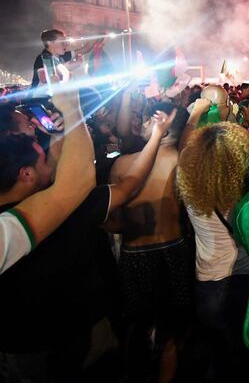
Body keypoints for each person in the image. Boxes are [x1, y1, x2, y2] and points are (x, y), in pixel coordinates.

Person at [0, 103, 176, 380]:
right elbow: (129, 185)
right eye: (42, 158)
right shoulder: (68, 209)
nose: (48, 157)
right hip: (82, 340)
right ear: (26, 174)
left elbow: (60, 171)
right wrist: (157, 135)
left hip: (19, 349)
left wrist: (64, 133)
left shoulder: (6, 224)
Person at [108, 102, 193, 381]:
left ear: (157, 123)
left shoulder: (122, 163)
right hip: (174, 251)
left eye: (145, 121)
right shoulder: (184, 161)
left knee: (137, 328)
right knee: (171, 331)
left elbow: (113, 221)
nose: (140, 125)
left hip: (135, 254)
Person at [176, 122, 249, 380]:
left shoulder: (188, 182)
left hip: (207, 282)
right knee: (242, 357)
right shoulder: (244, 195)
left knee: (218, 355)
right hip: (240, 281)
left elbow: (185, 151)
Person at [0, 84, 93, 275]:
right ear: (26, 174)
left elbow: (47, 174)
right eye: (26, 123)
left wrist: (58, 135)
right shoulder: (6, 228)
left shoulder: (15, 182)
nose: (33, 124)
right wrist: (72, 108)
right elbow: (78, 180)